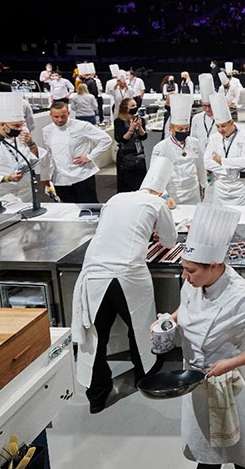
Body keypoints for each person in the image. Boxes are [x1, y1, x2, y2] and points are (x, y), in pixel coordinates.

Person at [174, 205, 245, 469]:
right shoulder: (194, 281)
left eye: (190, 270)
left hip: (236, 385)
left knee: (243, 454)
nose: (184, 276)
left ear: (214, 265)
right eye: (184, 268)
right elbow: (188, 305)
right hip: (199, 379)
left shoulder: (240, 297)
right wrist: (170, 319)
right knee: (207, 450)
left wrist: (231, 364)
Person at [72, 157, 176, 413]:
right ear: (161, 190)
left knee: (96, 335)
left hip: (94, 273)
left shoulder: (116, 198)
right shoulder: (157, 203)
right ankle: (145, 378)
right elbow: (170, 240)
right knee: (139, 328)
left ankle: (96, 396)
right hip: (129, 273)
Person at [0, 92, 47, 207]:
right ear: (2, 125)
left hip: (28, 193)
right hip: (4, 196)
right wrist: (6, 178)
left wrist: (31, 144)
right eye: (15, 126)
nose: (20, 129)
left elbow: (34, 159)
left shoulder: (21, 138)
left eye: (21, 125)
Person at [42, 100, 113, 203]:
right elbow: (48, 155)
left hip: (82, 175)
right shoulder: (47, 130)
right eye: (56, 117)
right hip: (61, 179)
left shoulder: (82, 126)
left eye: (63, 116)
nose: (60, 120)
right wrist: (45, 176)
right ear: (50, 115)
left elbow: (106, 140)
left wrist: (90, 157)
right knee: (68, 209)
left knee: (90, 208)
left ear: (68, 113)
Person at [151, 94, 206, 205]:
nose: (184, 131)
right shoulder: (160, 148)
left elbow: (200, 167)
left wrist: (204, 186)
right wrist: (165, 196)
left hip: (193, 193)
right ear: (171, 128)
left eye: (187, 128)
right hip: (173, 195)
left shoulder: (194, 143)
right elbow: (155, 176)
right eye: (180, 129)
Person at [206, 93, 245, 206]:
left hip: (241, 187)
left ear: (231, 122)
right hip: (221, 187)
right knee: (221, 220)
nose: (220, 130)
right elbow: (207, 163)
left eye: (223, 126)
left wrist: (221, 161)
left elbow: (244, 161)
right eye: (217, 126)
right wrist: (231, 168)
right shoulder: (214, 138)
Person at [114, 97, 148, 193]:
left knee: (140, 182)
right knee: (126, 184)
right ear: (126, 108)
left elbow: (143, 137)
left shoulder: (139, 119)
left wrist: (140, 127)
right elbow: (121, 139)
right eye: (132, 106)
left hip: (138, 154)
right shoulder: (119, 121)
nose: (135, 107)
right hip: (125, 156)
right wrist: (131, 129)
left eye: (136, 105)